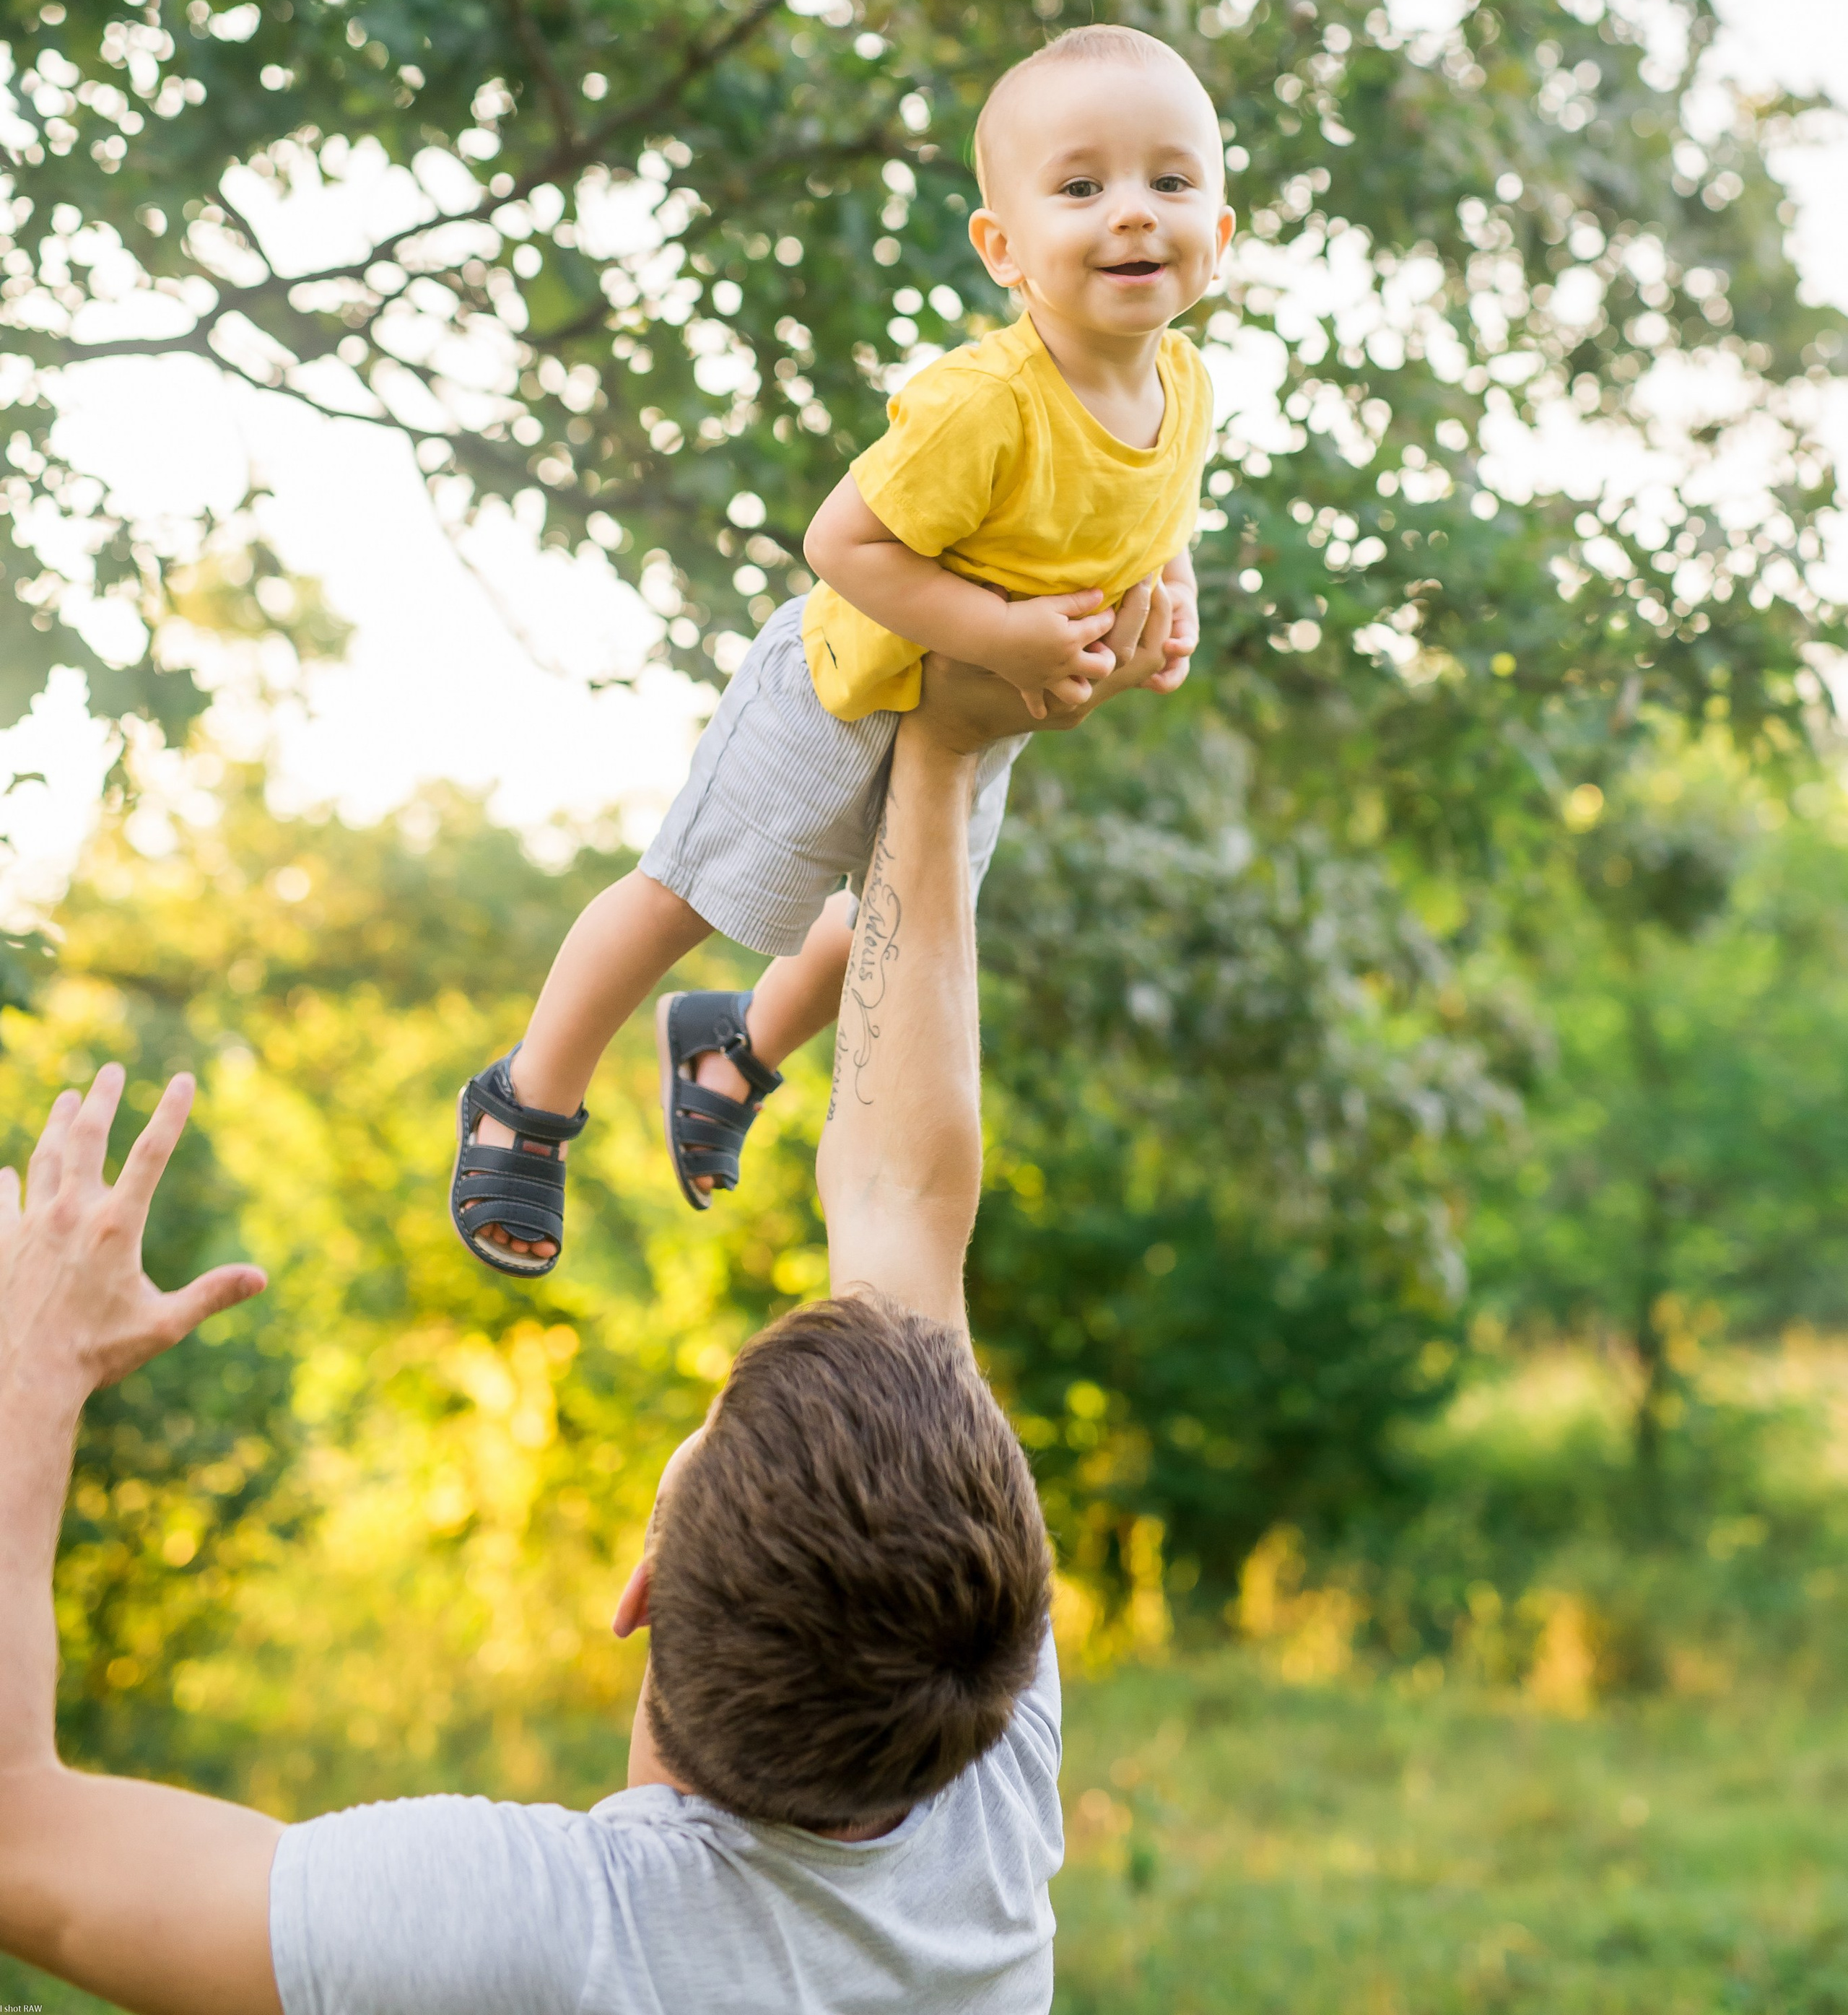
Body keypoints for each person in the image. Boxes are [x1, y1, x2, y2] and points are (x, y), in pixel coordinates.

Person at [0, 593, 1175, 2015]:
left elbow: (20, 1840)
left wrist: (30, 1373)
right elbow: (904, 1206)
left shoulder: (545, 1936)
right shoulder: (972, 1781)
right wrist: (936, 757)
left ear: (642, 1593)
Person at [452, 22, 1231, 1271]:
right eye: (1081, 187)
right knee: (684, 894)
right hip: (839, 686)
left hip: (971, 716)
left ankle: (729, 1050)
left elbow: (1157, 507)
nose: (1133, 215)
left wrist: (1170, 592)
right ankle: (525, 1097)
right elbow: (841, 541)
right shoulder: (986, 400)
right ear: (1005, 250)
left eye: (1171, 182)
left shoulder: (1183, 384)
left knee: (891, 936)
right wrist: (1007, 633)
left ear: (1221, 234)